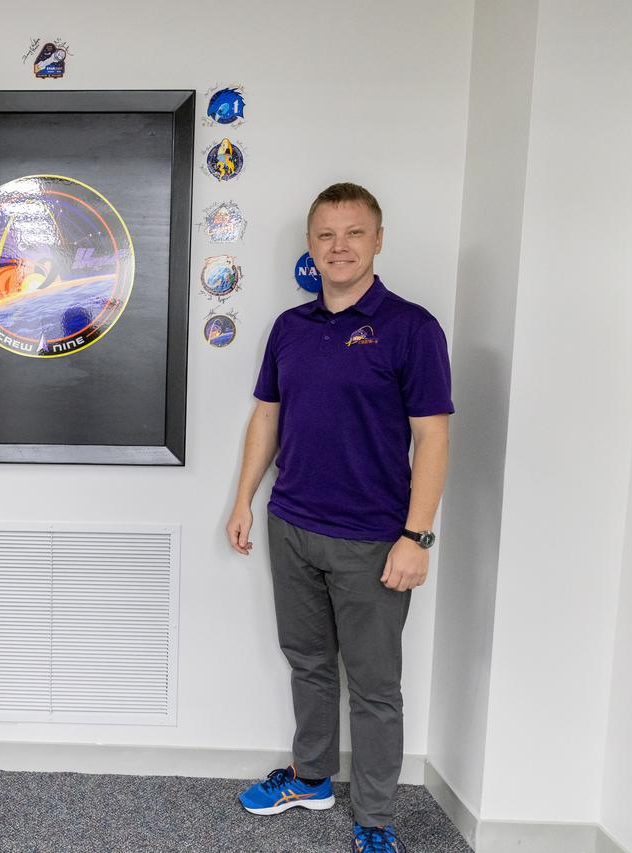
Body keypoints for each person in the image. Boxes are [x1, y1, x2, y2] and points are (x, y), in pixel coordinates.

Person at [225, 183, 452, 853]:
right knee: (308, 662)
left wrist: (416, 535)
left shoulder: (412, 327)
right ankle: (312, 775)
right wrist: (243, 499)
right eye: (326, 235)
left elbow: (433, 437)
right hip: (291, 522)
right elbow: (267, 415)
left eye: (354, 233)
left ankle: (376, 816)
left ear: (378, 240)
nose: (339, 246)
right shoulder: (290, 328)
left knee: (375, 684)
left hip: (372, 539)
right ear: (310, 246)